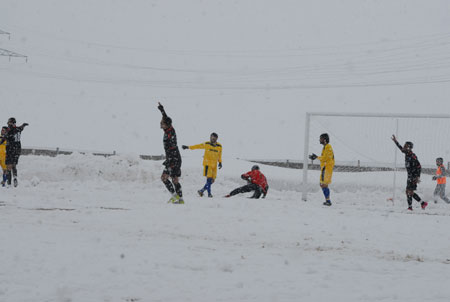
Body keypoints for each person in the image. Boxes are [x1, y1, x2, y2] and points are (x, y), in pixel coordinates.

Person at [391, 135, 427, 210]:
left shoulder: (413, 156)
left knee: (409, 192)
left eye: (406, 146)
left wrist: (417, 177)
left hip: (413, 176)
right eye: (404, 145)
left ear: (409, 148)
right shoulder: (407, 153)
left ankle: (412, 207)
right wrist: (395, 141)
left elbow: (419, 166)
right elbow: (401, 149)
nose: (404, 147)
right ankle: (422, 203)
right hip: (410, 176)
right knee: (409, 192)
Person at [158, 102, 184, 204]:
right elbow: (166, 118)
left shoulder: (170, 133)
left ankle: (175, 197)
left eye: (162, 122)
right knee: (174, 180)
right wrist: (162, 110)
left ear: (166, 125)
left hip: (174, 159)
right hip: (173, 159)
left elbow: (172, 149)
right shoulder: (168, 129)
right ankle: (180, 199)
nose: (160, 123)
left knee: (165, 178)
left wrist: (170, 161)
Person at [182, 133, 222, 198]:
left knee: (212, 181)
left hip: (214, 166)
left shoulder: (219, 146)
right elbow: (197, 146)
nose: (212, 139)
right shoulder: (207, 144)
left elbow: (219, 155)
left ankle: (201, 191)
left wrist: (220, 162)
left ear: (216, 138)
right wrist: (188, 147)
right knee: (209, 180)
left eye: (214, 138)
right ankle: (209, 194)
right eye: (211, 137)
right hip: (207, 164)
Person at [0, 118, 29, 187]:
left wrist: (1, 141)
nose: (7, 124)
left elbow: (4, 138)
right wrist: (23, 125)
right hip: (17, 150)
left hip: (10, 149)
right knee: (14, 165)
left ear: (12, 123)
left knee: (8, 167)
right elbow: (21, 127)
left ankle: (9, 183)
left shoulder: (9, 131)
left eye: (9, 122)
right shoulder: (18, 129)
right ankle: (15, 177)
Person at [309, 133, 335, 206]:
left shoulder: (328, 147)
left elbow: (326, 158)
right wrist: (316, 157)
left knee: (323, 184)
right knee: (322, 184)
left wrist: (317, 157)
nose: (319, 140)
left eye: (321, 138)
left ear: (325, 139)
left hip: (327, 169)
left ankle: (328, 201)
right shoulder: (325, 147)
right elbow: (324, 158)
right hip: (324, 168)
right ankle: (328, 200)